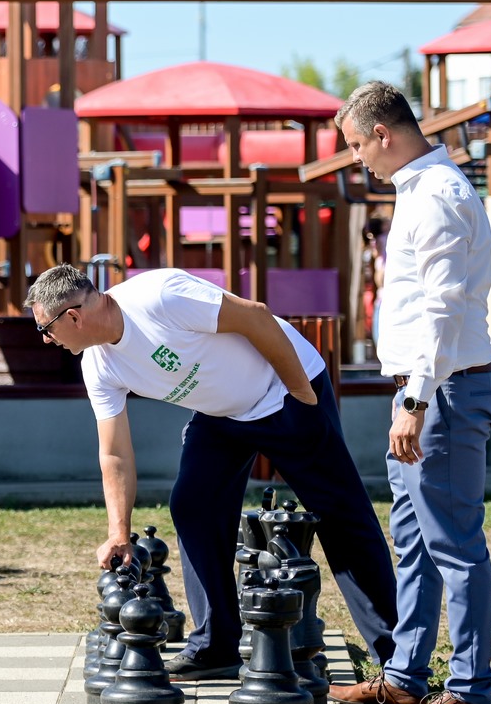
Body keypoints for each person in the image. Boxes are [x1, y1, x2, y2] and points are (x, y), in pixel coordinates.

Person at [25, 264, 398, 680]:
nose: (46, 339)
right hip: (221, 415)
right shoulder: (98, 365)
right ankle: (216, 646)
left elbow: (255, 316)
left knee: (341, 518)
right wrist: (118, 532)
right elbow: (114, 453)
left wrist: (300, 394)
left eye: (46, 329)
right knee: (194, 506)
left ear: (73, 317)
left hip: (284, 388)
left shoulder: (159, 297)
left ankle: (396, 660)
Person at [327, 81, 491, 704]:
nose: (356, 160)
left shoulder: (437, 196)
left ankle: (470, 690)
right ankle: (404, 678)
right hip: (426, 392)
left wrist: (415, 399)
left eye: (356, 146)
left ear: (383, 133)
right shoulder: (418, 189)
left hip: (441, 395)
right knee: (415, 541)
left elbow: (442, 310)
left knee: (454, 545)